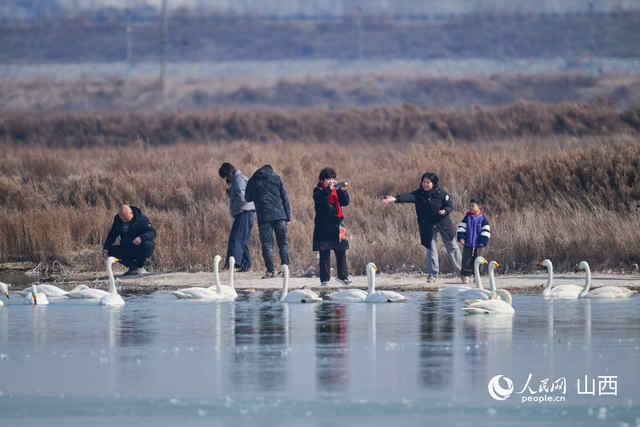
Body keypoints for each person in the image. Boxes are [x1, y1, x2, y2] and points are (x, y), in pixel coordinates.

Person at [383, 172, 461, 282]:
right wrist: (395, 199)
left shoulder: (441, 193)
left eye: (428, 182)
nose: (425, 184)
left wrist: (445, 211)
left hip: (443, 223)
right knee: (431, 249)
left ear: (433, 183)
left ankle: (463, 273)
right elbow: (408, 197)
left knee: (452, 247)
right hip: (427, 225)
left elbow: (449, 205)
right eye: (424, 182)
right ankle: (433, 275)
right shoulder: (418, 194)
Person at [245, 164, 291, 278]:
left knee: (267, 244)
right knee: (283, 243)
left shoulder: (254, 180)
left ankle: (270, 271)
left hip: (264, 216)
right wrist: (288, 216)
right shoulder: (276, 177)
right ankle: (285, 269)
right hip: (280, 215)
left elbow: (247, 198)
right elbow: (284, 198)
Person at [313, 167, 352, 286]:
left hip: (338, 224)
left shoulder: (336, 190)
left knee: (341, 251)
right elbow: (322, 204)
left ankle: (343, 277)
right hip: (323, 226)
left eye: (333, 179)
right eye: (328, 179)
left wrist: (343, 191)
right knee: (324, 253)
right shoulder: (318, 190)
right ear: (323, 180)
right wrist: (328, 190)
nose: (331, 181)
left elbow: (345, 202)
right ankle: (324, 280)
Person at [219, 162, 255, 272]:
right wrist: (231, 192)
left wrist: (234, 201)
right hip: (246, 212)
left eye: (226, 176)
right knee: (242, 239)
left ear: (229, 173)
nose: (226, 179)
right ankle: (245, 265)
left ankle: (235, 264)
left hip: (244, 212)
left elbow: (242, 197)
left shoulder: (238, 179)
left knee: (236, 239)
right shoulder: (239, 179)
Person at [103, 204, 156, 275]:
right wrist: (106, 248)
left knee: (148, 245)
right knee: (109, 252)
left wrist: (141, 238)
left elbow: (152, 232)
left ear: (131, 213)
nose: (124, 221)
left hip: (139, 246)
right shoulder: (118, 219)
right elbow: (112, 234)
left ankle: (140, 266)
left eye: (126, 218)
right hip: (126, 247)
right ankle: (133, 268)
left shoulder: (140, 218)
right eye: (123, 219)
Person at [457, 199, 491, 283]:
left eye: (473, 206)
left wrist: (483, 241)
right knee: (466, 259)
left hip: (479, 243)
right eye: (470, 206)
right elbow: (461, 228)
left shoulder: (483, 219)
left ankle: (477, 276)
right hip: (468, 242)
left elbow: (486, 230)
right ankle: (466, 275)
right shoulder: (467, 218)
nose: (471, 208)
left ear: (479, 207)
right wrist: (461, 237)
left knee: (479, 259)